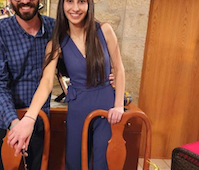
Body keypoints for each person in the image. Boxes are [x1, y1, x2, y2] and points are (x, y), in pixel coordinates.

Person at [7, 0, 125, 169]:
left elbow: (119, 69)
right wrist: (29, 118)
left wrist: (119, 105)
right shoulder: (56, 43)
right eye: (70, 1)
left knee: (103, 163)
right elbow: (46, 82)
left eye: (81, 2)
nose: (75, 8)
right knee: (74, 162)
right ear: (62, 5)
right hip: (78, 110)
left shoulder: (104, 30)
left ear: (89, 4)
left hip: (107, 109)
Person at [0, 0, 55, 169]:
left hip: (39, 123)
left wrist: (105, 75)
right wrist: (15, 124)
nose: (24, 1)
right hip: (7, 126)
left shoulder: (54, 28)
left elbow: (69, 65)